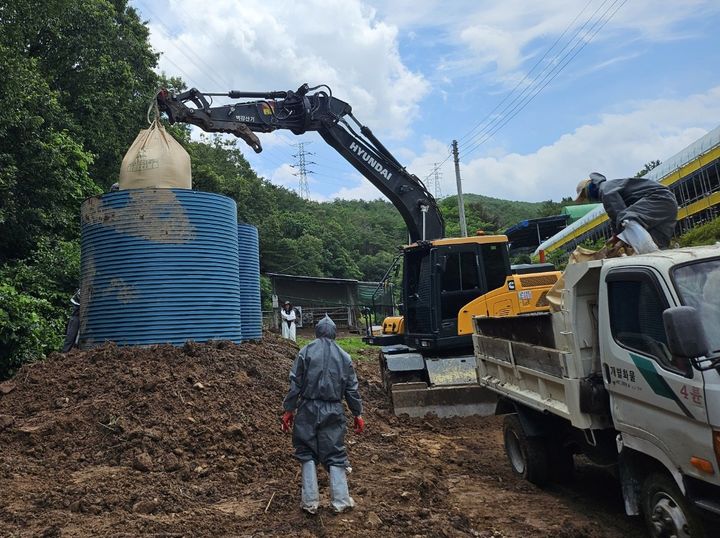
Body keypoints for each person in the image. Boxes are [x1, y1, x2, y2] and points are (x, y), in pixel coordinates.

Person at [280, 315, 365, 515]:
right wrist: (357, 413)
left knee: (306, 451)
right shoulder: (345, 357)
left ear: (317, 332)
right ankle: (341, 501)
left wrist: (289, 410)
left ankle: (310, 502)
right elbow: (352, 390)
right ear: (335, 333)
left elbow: (295, 385)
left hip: (307, 408)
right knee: (335, 453)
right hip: (333, 409)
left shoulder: (305, 351)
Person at [575, 172, 678, 250]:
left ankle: (649, 256)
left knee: (626, 220)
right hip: (667, 203)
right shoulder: (611, 187)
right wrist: (617, 235)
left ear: (589, 188)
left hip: (658, 198)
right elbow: (616, 217)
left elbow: (618, 214)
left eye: (585, 196)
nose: (588, 199)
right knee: (658, 240)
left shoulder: (605, 190)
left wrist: (620, 236)